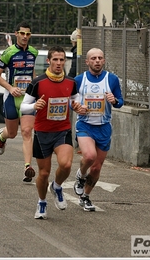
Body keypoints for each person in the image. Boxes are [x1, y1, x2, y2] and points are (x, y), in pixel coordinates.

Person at [20, 46, 85, 219]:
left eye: (61, 60)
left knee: (66, 164)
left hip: (62, 131)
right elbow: (23, 106)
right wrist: (34, 106)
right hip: (42, 133)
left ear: (65, 61)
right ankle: (42, 202)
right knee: (43, 173)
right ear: (48, 61)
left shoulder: (71, 83)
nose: (58, 63)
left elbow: (75, 100)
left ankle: (56, 186)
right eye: (55, 59)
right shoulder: (37, 83)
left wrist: (78, 106)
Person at [73, 48, 124, 212]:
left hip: (103, 128)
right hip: (85, 125)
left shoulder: (112, 79)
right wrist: (77, 108)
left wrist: (114, 100)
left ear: (103, 61)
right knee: (89, 156)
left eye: (100, 58)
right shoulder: (79, 80)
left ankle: (85, 197)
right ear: (87, 61)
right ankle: (80, 175)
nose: (97, 61)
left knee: (96, 168)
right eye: (93, 58)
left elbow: (120, 101)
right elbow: (70, 100)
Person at [0, 21, 39, 183]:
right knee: (12, 133)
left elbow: (32, 72)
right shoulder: (9, 52)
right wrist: (10, 87)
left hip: (27, 98)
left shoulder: (33, 52)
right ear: (16, 34)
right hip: (11, 98)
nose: (25, 37)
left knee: (27, 132)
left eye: (28, 34)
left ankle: (28, 167)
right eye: (22, 33)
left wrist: (36, 90)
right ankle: (2, 135)